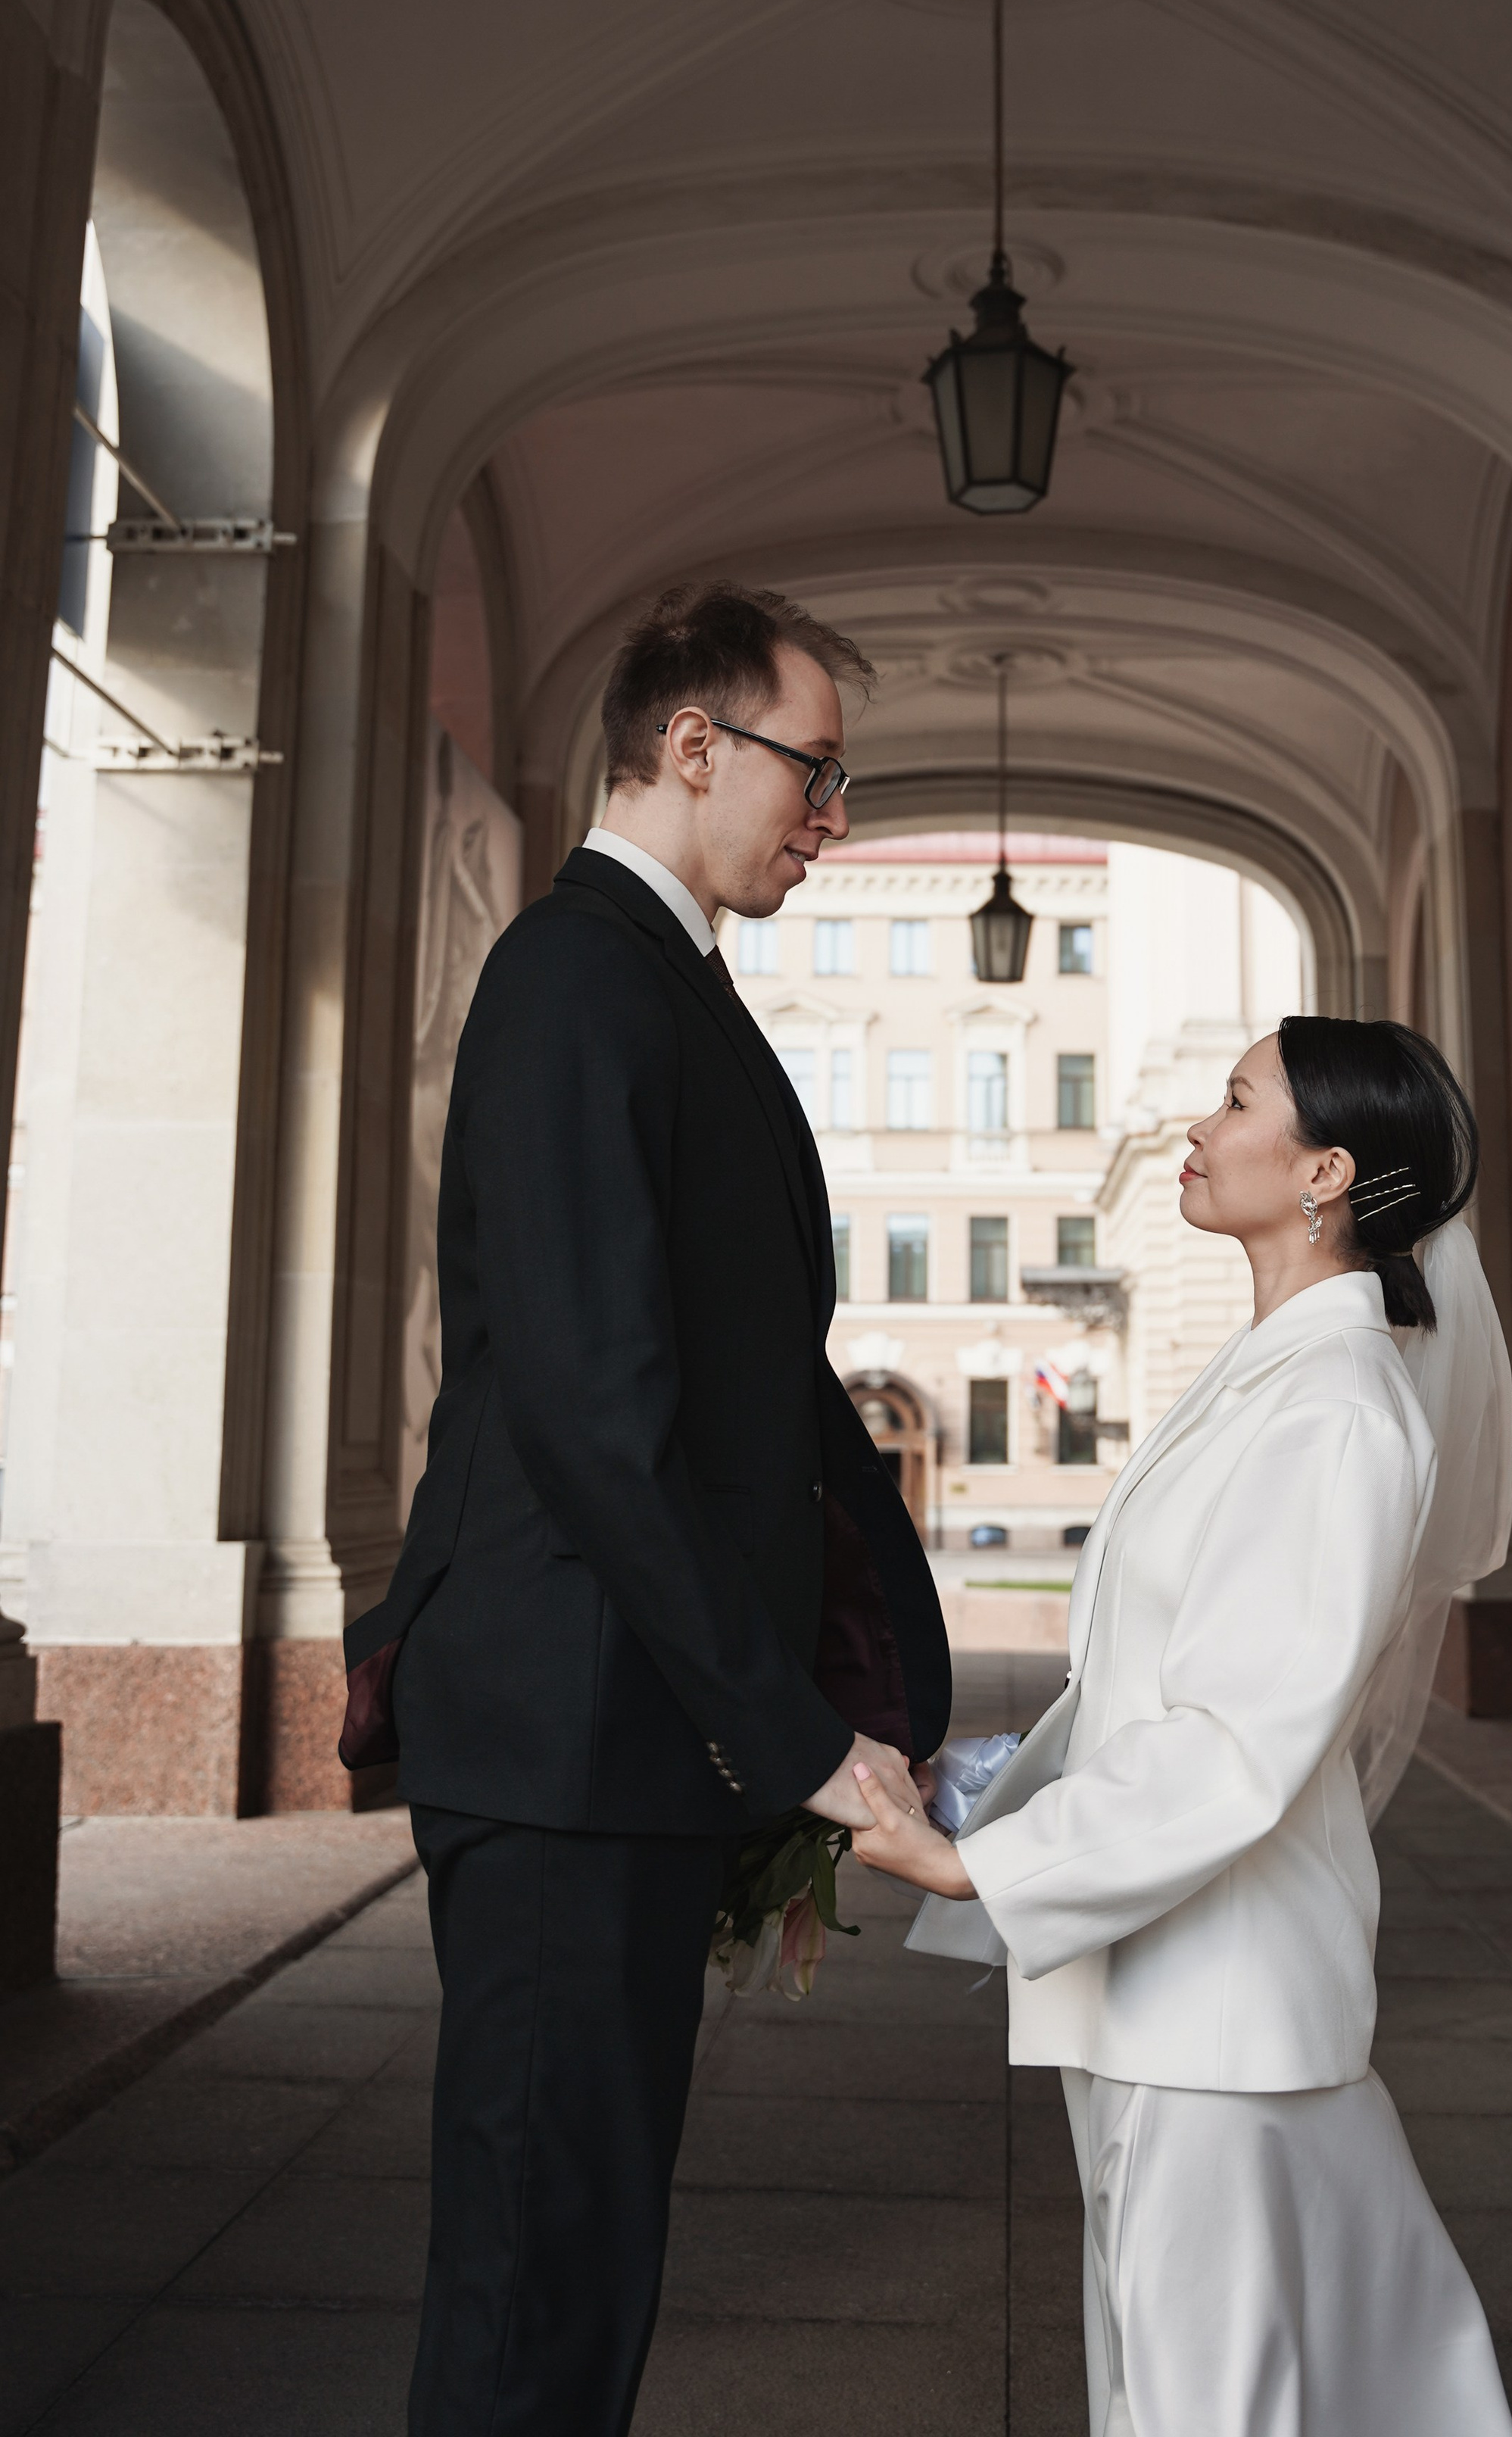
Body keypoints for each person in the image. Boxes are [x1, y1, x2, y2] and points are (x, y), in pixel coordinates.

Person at [342, 582, 949, 2437]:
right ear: (692, 745)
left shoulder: (661, 982)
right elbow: (599, 1420)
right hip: (565, 1735)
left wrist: (865, 1699)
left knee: (584, 2264)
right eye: (816, 774)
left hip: (622, 1740)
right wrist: (790, 1739)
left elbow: (762, 1390)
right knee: (535, 2279)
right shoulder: (571, 976)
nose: (833, 821)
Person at [854, 1016, 1512, 2435]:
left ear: (1326, 1171)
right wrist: (969, 1792)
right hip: (1171, 1991)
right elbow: (1140, 1689)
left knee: (1196, 2408)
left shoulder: (1335, 1410)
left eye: (1233, 1103)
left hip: (1220, 2013)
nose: (1197, 1132)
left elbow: (1235, 1741)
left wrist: (986, 1869)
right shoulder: (1263, 1375)